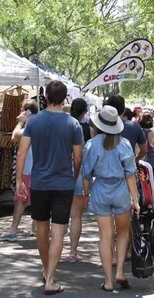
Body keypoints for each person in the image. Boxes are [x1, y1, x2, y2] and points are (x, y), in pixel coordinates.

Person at [16, 81, 83, 296]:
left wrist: (19, 180)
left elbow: (22, 152)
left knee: (42, 228)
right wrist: (74, 175)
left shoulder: (34, 121)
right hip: (63, 183)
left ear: (45, 96)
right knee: (58, 230)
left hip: (39, 183)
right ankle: (51, 278)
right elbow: (78, 157)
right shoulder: (73, 124)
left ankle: (46, 270)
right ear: (64, 98)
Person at [82, 106, 140, 292]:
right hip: (120, 190)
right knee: (122, 233)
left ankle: (107, 281)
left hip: (100, 189)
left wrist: (86, 194)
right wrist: (135, 199)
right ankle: (120, 271)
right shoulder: (124, 144)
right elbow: (130, 174)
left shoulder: (91, 145)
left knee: (105, 236)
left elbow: (86, 174)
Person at [0, 99, 39, 242]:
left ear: (26, 112)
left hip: (29, 169)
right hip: (40, 169)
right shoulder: (41, 123)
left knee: (21, 200)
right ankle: (35, 228)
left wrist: (20, 122)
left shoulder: (30, 125)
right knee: (37, 199)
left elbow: (14, 137)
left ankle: (13, 230)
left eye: (22, 110)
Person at [67, 97, 91, 263]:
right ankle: (73, 251)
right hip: (78, 171)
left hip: (59, 172)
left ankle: (55, 249)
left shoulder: (61, 125)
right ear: (84, 112)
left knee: (60, 215)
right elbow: (81, 155)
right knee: (76, 215)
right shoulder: (85, 128)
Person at [105, 96, 147, 162]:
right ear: (124, 110)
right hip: (127, 164)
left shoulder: (98, 126)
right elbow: (144, 150)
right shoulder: (134, 126)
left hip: (104, 165)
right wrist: (135, 160)